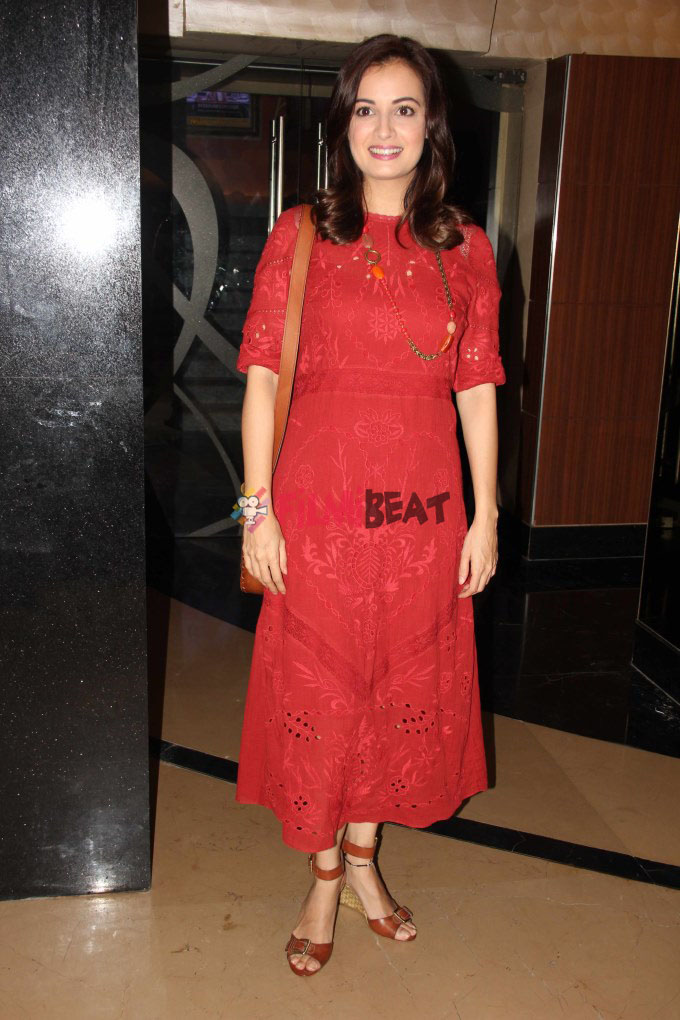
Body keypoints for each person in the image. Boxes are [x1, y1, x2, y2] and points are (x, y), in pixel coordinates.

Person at [235, 33, 506, 976]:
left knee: (394, 700)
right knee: (322, 696)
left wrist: (487, 515)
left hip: (422, 521)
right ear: (343, 124)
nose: (383, 128)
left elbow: (478, 386)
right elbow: (263, 378)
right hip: (315, 517)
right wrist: (256, 511)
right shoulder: (301, 234)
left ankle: (362, 861)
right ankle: (323, 877)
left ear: (432, 126)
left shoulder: (465, 247)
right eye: (365, 108)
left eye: (403, 109)